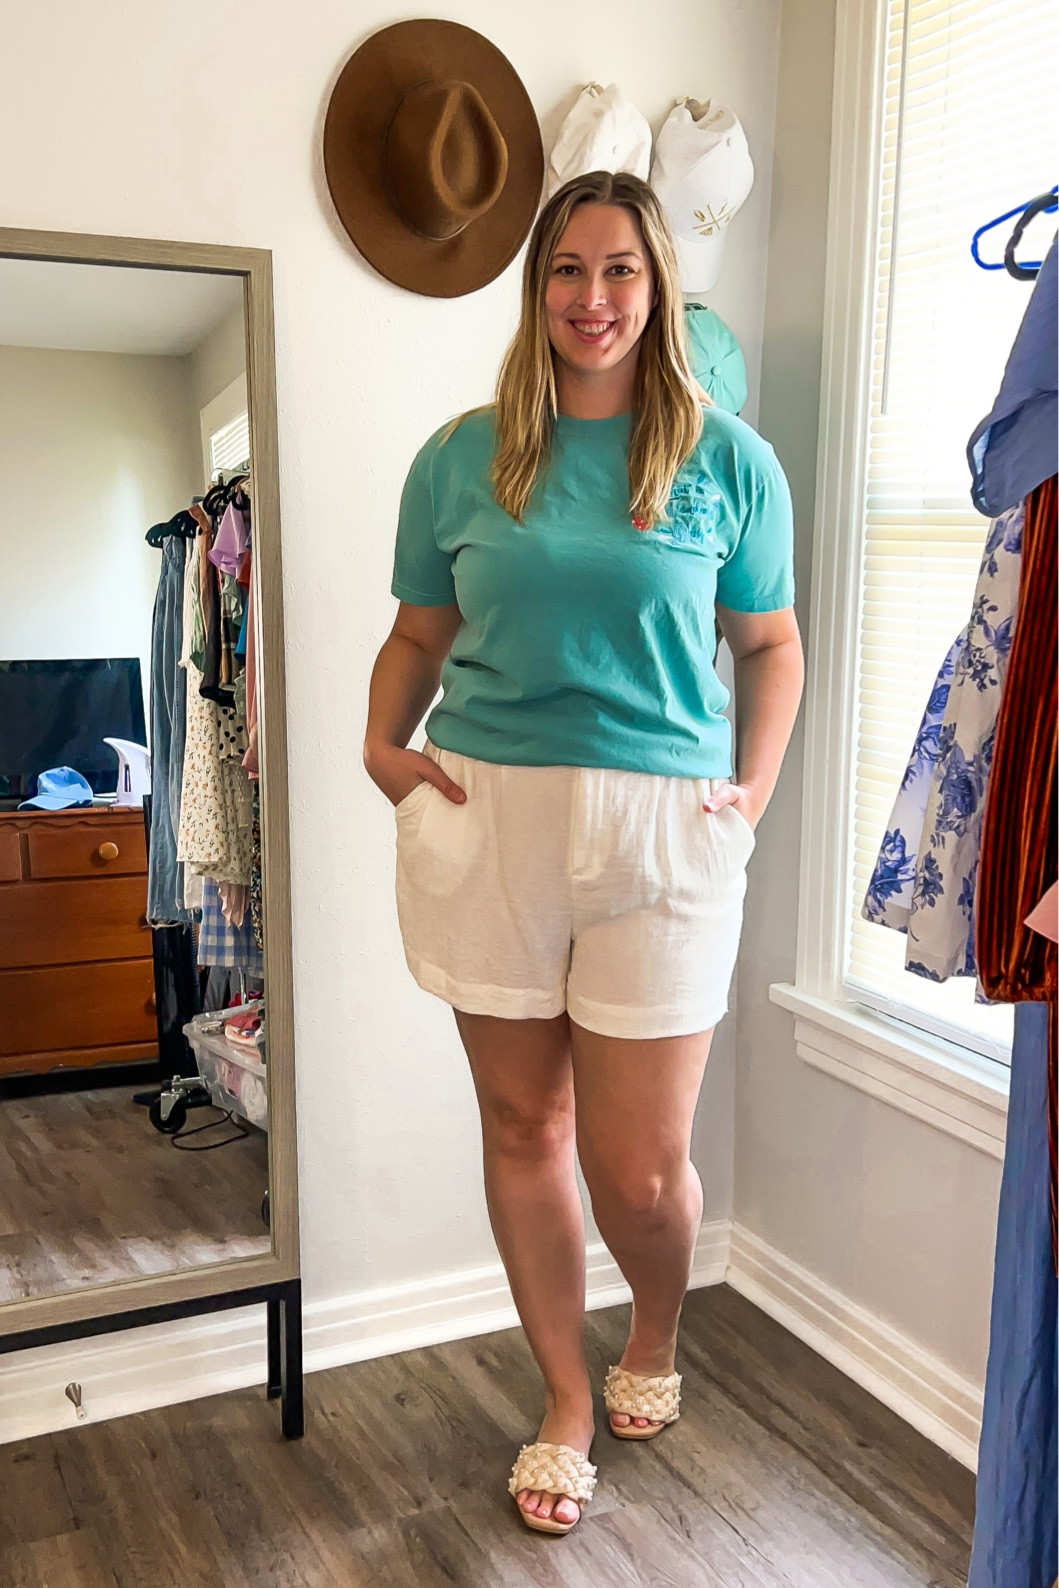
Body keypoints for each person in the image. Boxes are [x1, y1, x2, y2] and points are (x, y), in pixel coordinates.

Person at [363, 170, 804, 1536]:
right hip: (493, 816)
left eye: (620, 270)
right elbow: (419, 636)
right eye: (567, 270)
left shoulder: (729, 459)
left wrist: (751, 795)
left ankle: (654, 1338)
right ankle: (563, 1395)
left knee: (644, 1168)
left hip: (666, 830)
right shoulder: (461, 453)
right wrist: (384, 746)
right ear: (535, 286)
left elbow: (771, 646)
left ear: (657, 286)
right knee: (522, 1126)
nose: (593, 298)